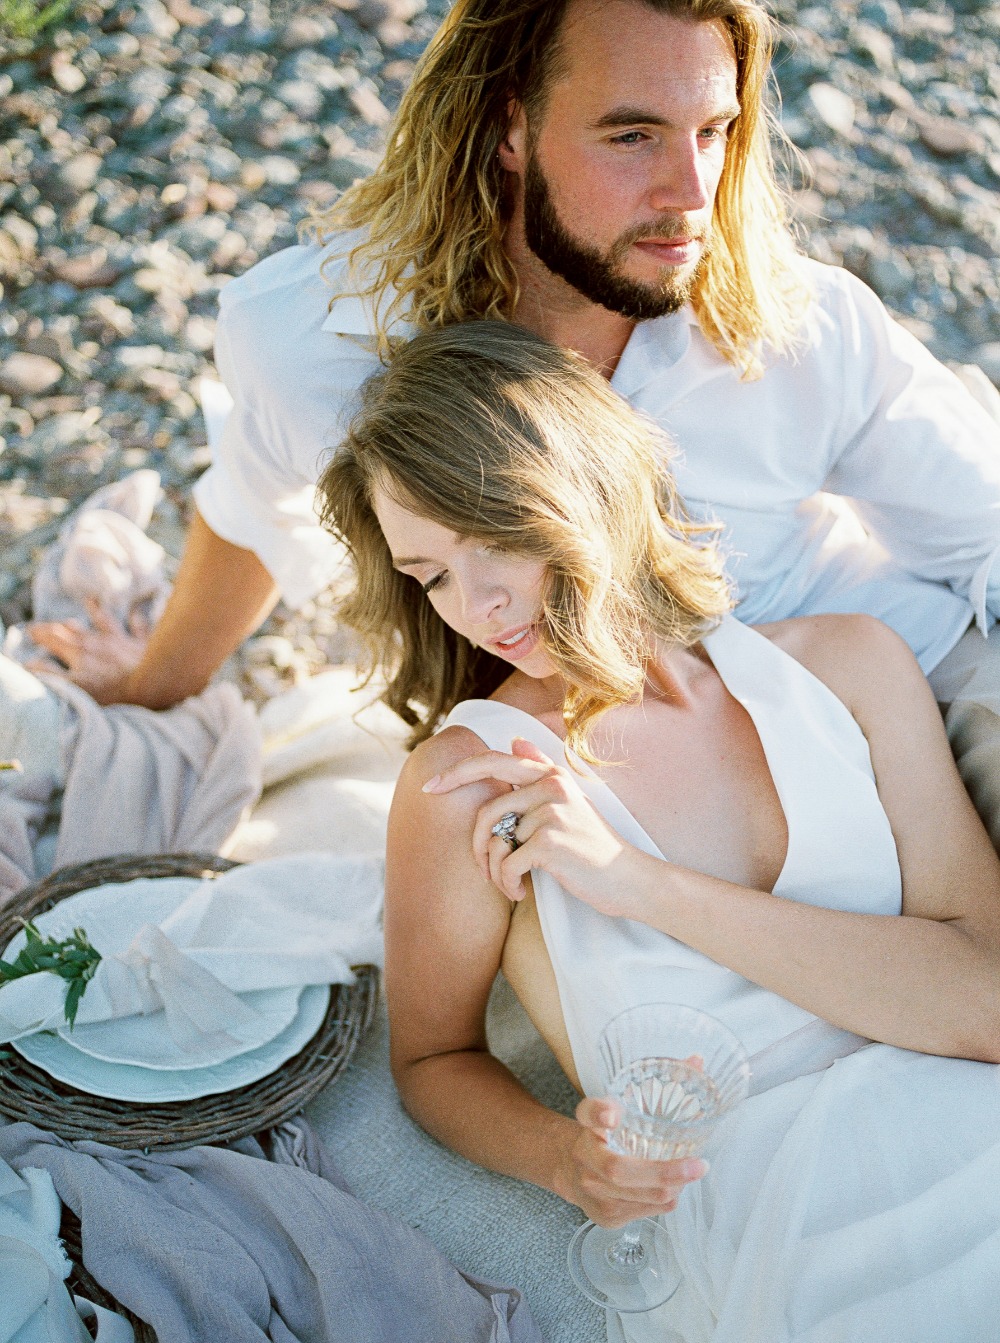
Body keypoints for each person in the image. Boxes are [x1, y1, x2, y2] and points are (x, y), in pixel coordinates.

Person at [30, 0, 1000, 844]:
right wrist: (150, 690)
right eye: (632, 136)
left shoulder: (793, 318)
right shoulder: (316, 343)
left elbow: (981, 530)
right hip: (645, 780)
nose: (691, 193)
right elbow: (254, 509)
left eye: (712, 131)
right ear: (509, 127)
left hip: (887, 679)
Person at [319, 320, 1000, 1343]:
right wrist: (563, 1159)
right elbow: (431, 1058)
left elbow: (986, 999)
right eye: (431, 575)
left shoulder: (850, 667)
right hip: (785, 1218)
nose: (477, 602)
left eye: (493, 537)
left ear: (589, 485)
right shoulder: (470, 782)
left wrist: (638, 883)